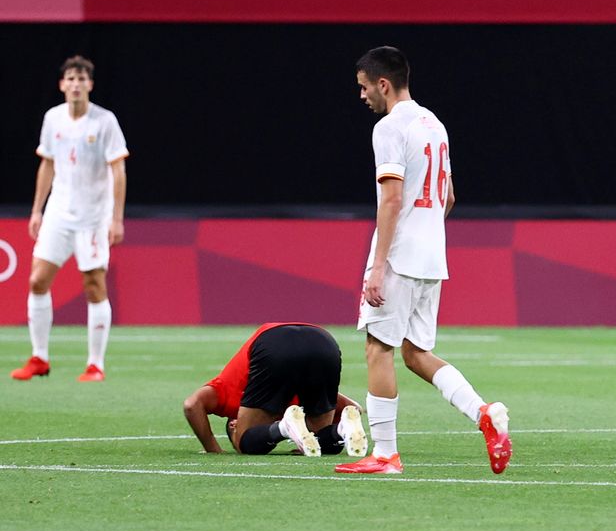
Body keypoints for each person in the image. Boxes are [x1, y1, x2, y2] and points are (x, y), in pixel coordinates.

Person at [335, 46, 511, 476]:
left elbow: (392, 198)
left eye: (363, 87)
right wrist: (425, 228)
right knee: (415, 353)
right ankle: (483, 413)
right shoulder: (435, 124)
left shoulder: (389, 128)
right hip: (432, 256)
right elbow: (449, 197)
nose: (361, 96)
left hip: (399, 256)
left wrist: (378, 265)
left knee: (378, 348)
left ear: (383, 83)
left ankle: (386, 454)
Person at [12, 56, 128, 383]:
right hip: (58, 214)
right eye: (70, 79)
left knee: (93, 286)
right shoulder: (53, 119)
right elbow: (47, 164)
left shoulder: (104, 122)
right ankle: (39, 358)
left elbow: (118, 171)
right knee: (37, 280)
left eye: (81, 79)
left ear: (90, 84)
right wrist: (37, 209)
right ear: (62, 84)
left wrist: (116, 218)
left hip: (93, 217)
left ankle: (95, 364)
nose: (75, 84)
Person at [182, 322, 366, 457]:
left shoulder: (226, 397)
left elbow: (191, 405)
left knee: (246, 445)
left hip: (274, 342)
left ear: (234, 424)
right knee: (322, 445)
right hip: (323, 341)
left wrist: (213, 450)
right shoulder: (292, 400)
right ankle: (342, 430)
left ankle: (283, 428)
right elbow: (354, 409)